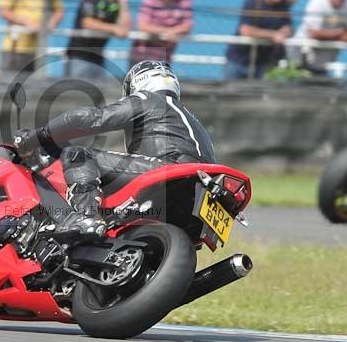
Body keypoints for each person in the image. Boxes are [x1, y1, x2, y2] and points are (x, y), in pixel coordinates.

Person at [14, 60, 215, 242]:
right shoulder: (193, 121)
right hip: (200, 189)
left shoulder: (148, 99)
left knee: (78, 155)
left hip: (170, 171)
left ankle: (85, 218)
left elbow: (88, 118)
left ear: (139, 82)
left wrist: (37, 136)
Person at [225, 0, 292, 79]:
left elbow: (287, 28)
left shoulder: (283, 5)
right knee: (231, 94)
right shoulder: (252, 2)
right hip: (240, 61)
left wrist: (284, 33)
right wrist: (273, 35)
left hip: (263, 62)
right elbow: (245, 30)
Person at [65, 0, 132, 78]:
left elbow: (124, 30)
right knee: (76, 92)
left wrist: (124, 4)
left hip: (97, 58)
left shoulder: (117, 5)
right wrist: (113, 28)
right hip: (78, 56)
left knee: (98, 93)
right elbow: (87, 22)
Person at [293, 0, 347, 75]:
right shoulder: (317, 3)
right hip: (302, 56)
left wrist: (328, 35)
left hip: (324, 61)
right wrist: (340, 33)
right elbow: (314, 34)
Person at [129, 0, 193, 67]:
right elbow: (142, 25)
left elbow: (187, 26)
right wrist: (165, 33)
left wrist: (171, 32)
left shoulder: (185, 2)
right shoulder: (151, 0)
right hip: (142, 56)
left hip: (165, 57)